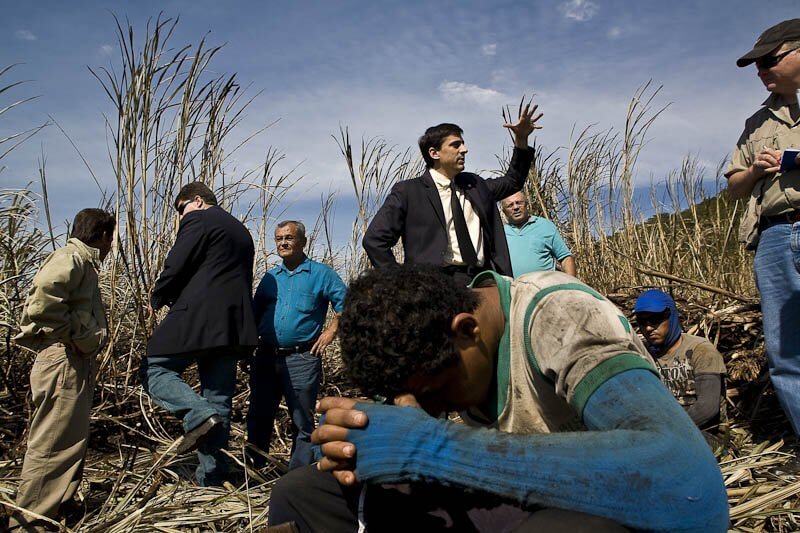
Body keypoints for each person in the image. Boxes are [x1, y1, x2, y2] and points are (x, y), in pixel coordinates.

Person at [268, 265, 729, 532]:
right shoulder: (453, 355)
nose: (430, 411)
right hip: (510, 501)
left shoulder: (561, 316)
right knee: (306, 493)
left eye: (432, 393)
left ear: (466, 331)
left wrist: (429, 447)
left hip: (604, 511)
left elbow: (689, 482)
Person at [140, 182, 258, 486]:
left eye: (180, 209)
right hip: (233, 327)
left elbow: (179, 260)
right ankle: (212, 480)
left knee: (155, 367)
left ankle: (196, 413)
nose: (180, 216)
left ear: (196, 201)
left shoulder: (200, 218)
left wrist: (158, 294)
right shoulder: (241, 231)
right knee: (219, 399)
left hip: (200, 317)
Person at [10, 209, 115, 531]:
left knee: (69, 439)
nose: (111, 246)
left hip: (72, 361)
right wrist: (79, 335)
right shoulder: (71, 258)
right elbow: (42, 304)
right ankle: (29, 522)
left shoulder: (82, 262)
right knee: (52, 442)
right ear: (103, 236)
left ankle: (57, 508)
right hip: (63, 360)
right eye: (111, 238)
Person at [363, 104, 542, 285]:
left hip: (484, 279)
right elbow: (374, 241)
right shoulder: (408, 192)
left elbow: (513, 181)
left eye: (462, 144)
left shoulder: (476, 185)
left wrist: (521, 140)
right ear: (434, 153)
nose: (464, 149)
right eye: (456, 145)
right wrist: (401, 284)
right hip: (434, 286)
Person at [725, 19, 800, 435]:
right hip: (773, 237)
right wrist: (754, 169)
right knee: (786, 352)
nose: (761, 71)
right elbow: (734, 188)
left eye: (770, 60)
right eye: (757, 65)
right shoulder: (756, 124)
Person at [247, 220, 346, 470]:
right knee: (259, 416)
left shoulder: (321, 274)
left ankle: (297, 476)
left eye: (289, 238)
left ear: (303, 241)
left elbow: (349, 305)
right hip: (266, 357)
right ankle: (255, 471)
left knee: (302, 420)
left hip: (302, 357)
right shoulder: (270, 278)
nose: (283, 243)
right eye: (279, 239)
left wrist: (330, 332)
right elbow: (254, 314)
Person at [634, 289, 726, 432]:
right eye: (642, 321)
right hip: (657, 433)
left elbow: (707, 408)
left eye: (655, 319)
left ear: (671, 317)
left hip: (704, 434)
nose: (648, 327)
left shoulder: (702, 351)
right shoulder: (641, 355)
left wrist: (667, 431)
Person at [500, 190, 576, 277]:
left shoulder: (545, 226)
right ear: (504, 211)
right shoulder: (500, 233)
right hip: (513, 289)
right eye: (510, 205)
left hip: (544, 288)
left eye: (519, 203)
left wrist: (571, 285)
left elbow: (565, 258)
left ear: (526, 205)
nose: (516, 207)